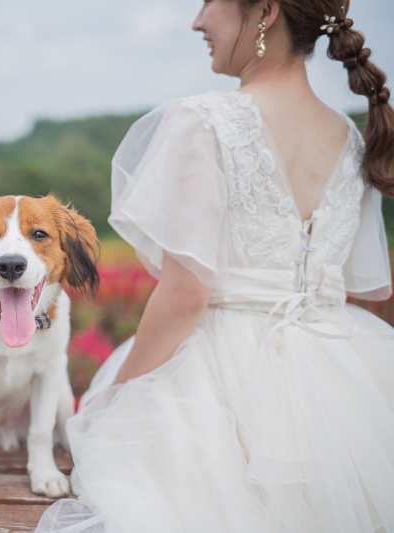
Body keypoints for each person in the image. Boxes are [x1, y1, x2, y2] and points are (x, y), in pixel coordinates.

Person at [37, 0, 394, 531]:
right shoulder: (349, 136)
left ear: (265, 11)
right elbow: (364, 286)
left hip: (220, 387)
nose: (198, 20)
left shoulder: (204, 121)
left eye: (209, 2)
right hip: (338, 381)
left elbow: (187, 294)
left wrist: (111, 400)